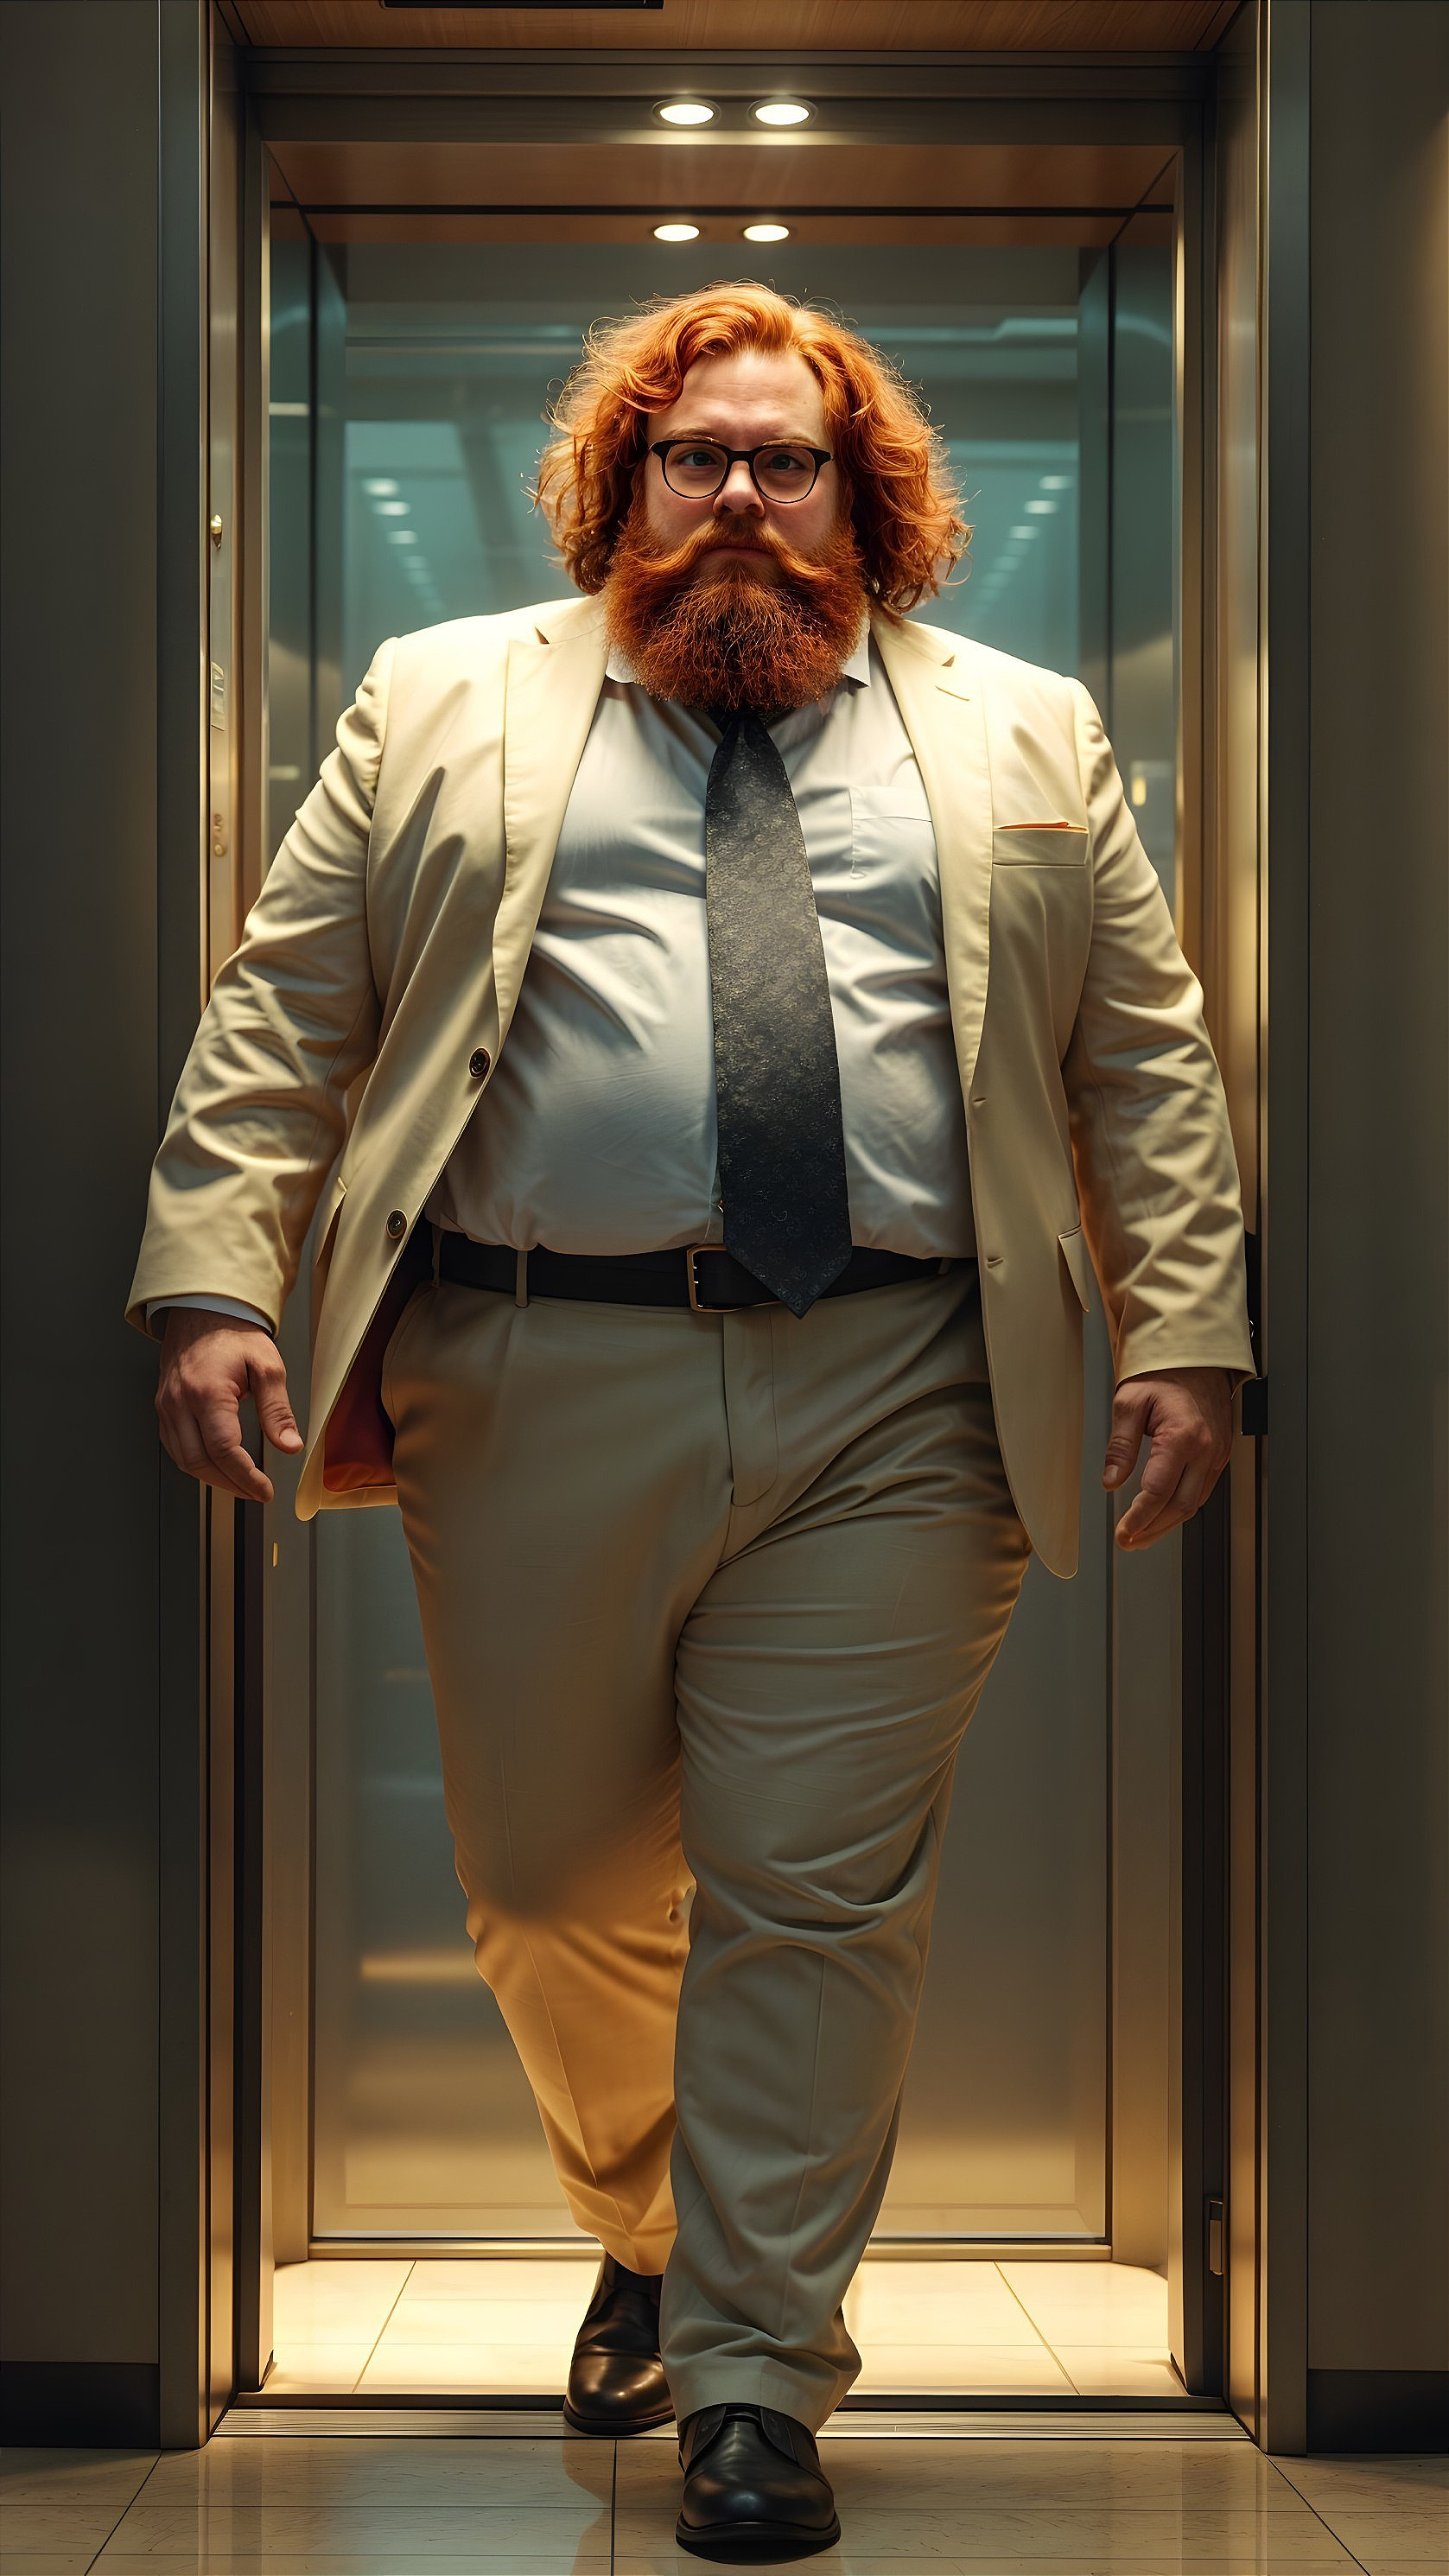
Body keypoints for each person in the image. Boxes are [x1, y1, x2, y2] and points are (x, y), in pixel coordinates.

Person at [129, 283, 1254, 2564]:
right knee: (546, 1891)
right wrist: (210, 1275)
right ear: (620, 491)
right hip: (534, 1363)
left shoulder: (1030, 738)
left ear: (874, 503)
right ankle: (641, 2216)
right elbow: (285, 1015)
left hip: (906, 1385)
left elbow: (1142, 1058)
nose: (739, 494)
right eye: (693, 458)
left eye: (789, 459)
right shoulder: (441, 700)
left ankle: (753, 2372)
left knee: (812, 1899)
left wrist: (1191, 1328)